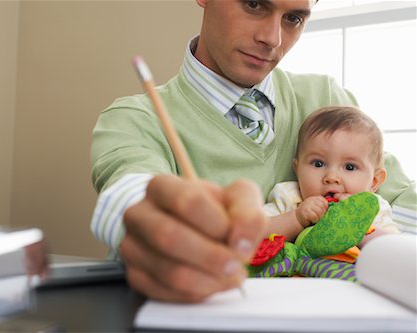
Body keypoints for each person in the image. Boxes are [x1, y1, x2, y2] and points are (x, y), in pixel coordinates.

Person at [90, 0, 416, 302]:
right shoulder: (136, 118)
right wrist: (150, 227)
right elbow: (129, 195)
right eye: (254, 3)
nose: (272, 38)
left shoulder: (326, 98)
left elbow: (398, 201)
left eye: (294, 18)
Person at [261, 106, 400, 247]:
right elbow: (252, 234)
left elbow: (394, 249)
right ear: (297, 169)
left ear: (374, 181)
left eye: (349, 167)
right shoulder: (289, 197)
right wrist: (296, 219)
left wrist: (356, 222)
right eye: (318, 163)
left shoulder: (374, 207)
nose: (332, 177)